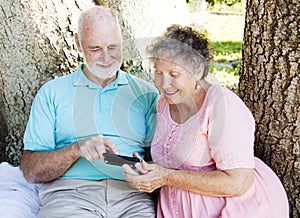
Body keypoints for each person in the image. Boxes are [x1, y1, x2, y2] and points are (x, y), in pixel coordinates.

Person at [123, 24, 289, 218]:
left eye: (174, 74)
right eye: (158, 72)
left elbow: (238, 182)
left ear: (198, 70)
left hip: (231, 207)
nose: (163, 83)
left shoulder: (221, 104)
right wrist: (147, 170)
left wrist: (167, 177)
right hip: (177, 208)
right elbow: (175, 162)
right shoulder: (163, 103)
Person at [20, 6, 158, 217]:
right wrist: (75, 149)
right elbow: (31, 171)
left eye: (112, 46)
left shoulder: (147, 94)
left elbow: (162, 159)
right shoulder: (52, 92)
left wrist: (143, 170)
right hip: (71, 195)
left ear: (122, 35)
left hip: (132, 196)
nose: (106, 57)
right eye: (95, 48)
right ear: (78, 42)